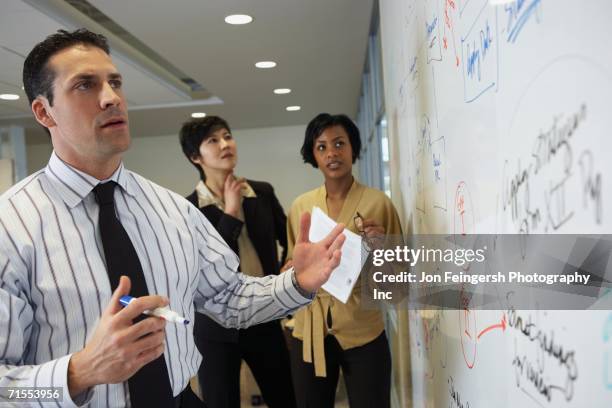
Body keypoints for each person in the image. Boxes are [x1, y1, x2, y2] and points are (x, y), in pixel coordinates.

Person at [0, 29, 345, 408]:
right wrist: (80, 373)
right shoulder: (11, 228)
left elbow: (228, 297)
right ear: (43, 111)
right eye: (84, 85)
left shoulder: (172, 210)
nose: (111, 97)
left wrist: (297, 283)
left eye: (115, 82)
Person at [284, 113, 402, 408]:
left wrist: (380, 247)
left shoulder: (378, 203)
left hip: (364, 329)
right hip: (309, 331)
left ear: (353, 148)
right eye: (321, 147)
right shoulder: (301, 206)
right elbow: (291, 267)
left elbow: (399, 278)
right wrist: (289, 272)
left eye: (339, 143)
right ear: (313, 155)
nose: (332, 153)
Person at [179, 116, 296, 407]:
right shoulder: (187, 209)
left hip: (264, 315)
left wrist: (287, 265)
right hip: (214, 328)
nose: (225, 144)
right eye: (213, 140)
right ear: (195, 156)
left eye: (227, 136)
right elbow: (207, 266)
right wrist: (231, 213)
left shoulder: (262, 193)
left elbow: (288, 237)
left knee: (285, 398)